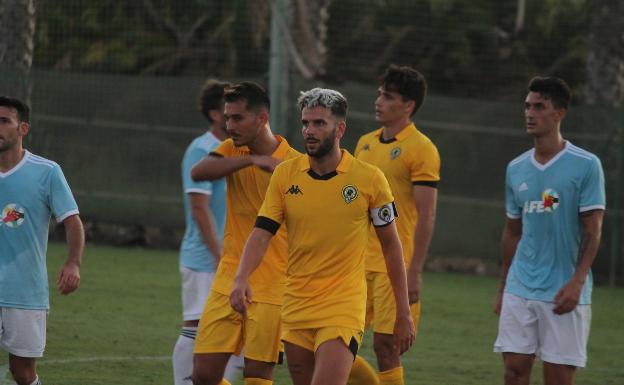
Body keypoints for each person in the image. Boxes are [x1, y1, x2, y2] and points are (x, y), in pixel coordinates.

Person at [230, 88, 415, 385]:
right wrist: (241, 278)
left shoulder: (369, 179)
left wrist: (403, 312)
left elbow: (392, 247)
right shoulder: (286, 175)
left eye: (319, 123)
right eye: (305, 123)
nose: (309, 131)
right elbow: (262, 232)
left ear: (339, 128)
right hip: (296, 304)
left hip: (342, 305)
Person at [493, 76, 605, 385]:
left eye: (539, 106)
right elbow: (512, 232)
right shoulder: (516, 168)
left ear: (559, 113)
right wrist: (504, 286)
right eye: (527, 106)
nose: (529, 113)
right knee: (513, 371)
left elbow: (593, 230)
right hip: (520, 285)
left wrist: (577, 281)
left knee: (557, 378)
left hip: (563, 289)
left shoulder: (586, 165)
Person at [190, 81, 300, 385]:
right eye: (227, 117)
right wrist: (251, 160)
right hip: (229, 276)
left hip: (273, 283)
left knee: (257, 376)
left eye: (237, 118)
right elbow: (198, 172)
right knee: (203, 375)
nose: (229, 125)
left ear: (261, 119)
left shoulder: (294, 164)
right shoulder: (232, 149)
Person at [350, 64, 440, 385]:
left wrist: (415, 271)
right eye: (379, 94)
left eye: (387, 96)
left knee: (386, 346)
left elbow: (426, 215)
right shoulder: (363, 143)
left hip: (394, 264)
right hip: (358, 262)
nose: (378, 101)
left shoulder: (422, 149)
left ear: (408, 106)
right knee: (336, 341)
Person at [0, 96, 85, 385]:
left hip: (24, 291)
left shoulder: (46, 172)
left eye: (4, 121)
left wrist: (73, 263)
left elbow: (72, 221)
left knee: (23, 373)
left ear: (22, 128)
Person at [172, 79, 243, 385]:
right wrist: (218, 253)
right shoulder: (202, 149)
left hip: (231, 256)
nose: (233, 119)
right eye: (229, 113)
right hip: (205, 257)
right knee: (198, 323)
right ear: (216, 115)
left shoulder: (237, 149)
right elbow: (199, 208)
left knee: (235, 326)